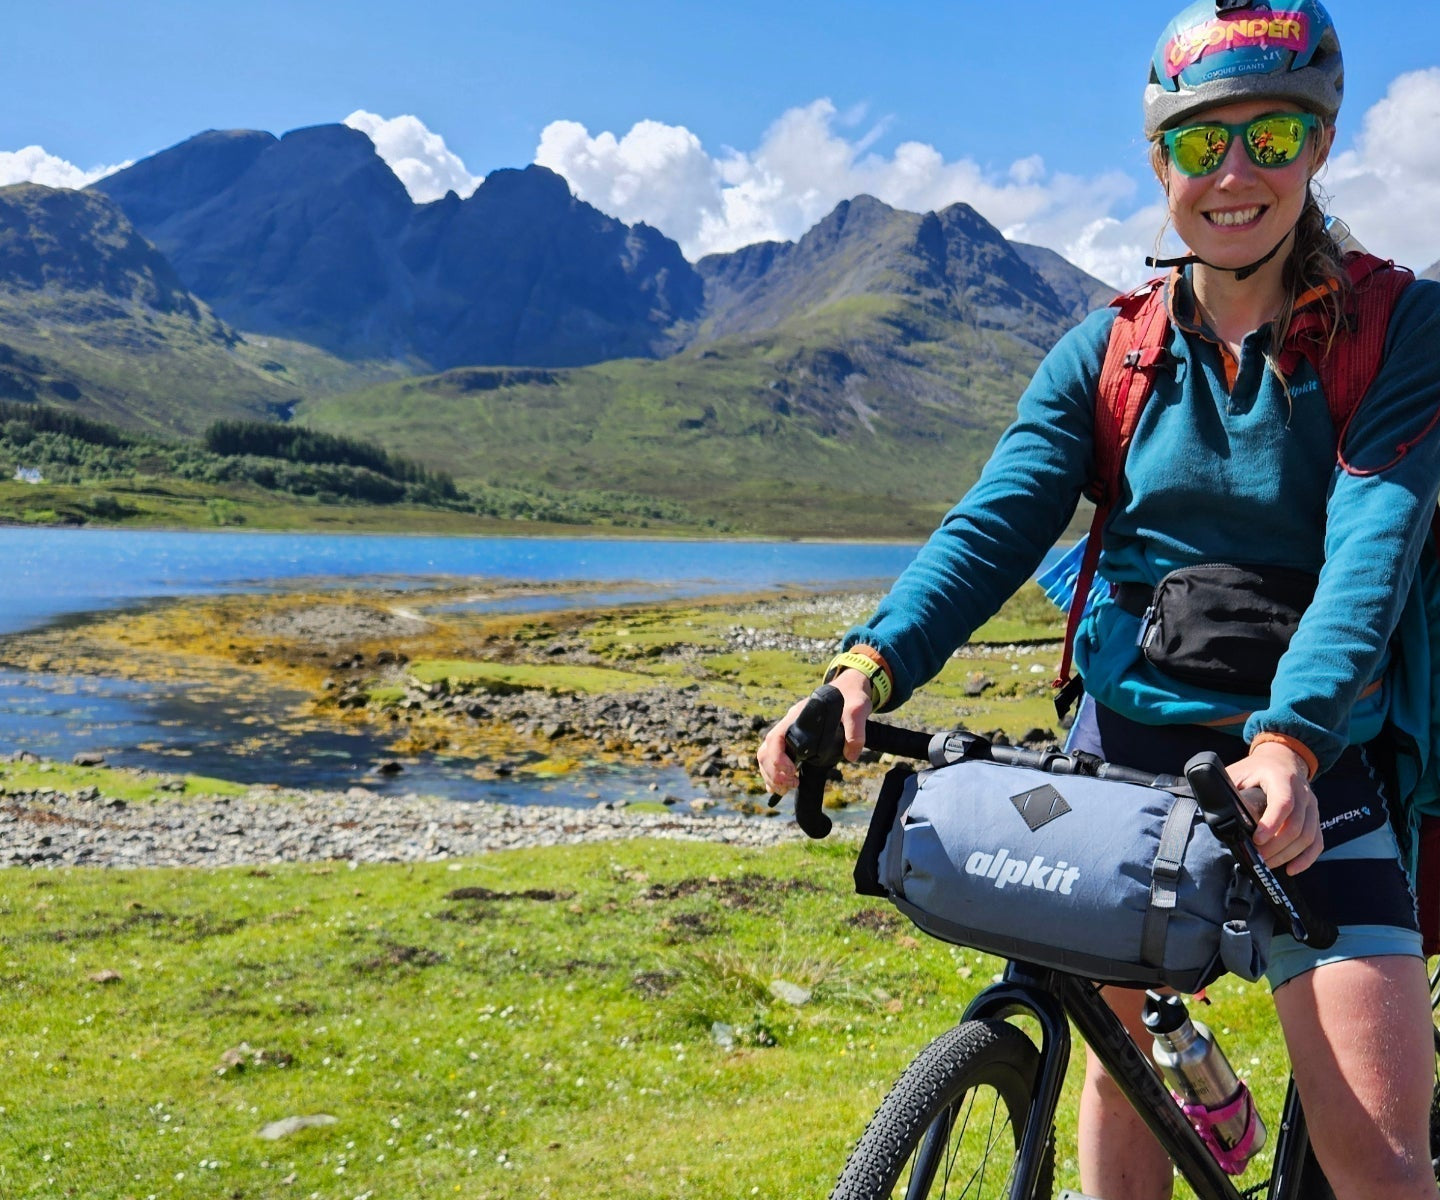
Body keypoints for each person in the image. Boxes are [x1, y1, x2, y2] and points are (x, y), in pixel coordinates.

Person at [756, 2, 1440, 1197]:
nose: (1235, 173)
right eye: (1200, 143)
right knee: (1120, 1079)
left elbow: (1370, 552)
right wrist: (864, 670)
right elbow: (994, 525)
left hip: (1315, 764)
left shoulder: (1398, 328)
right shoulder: (1107, 353)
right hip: (1125, 763)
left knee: (1380, 1165)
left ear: (1322, 145)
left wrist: (1288, 741)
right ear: (1159, 161)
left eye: (1273, 137)